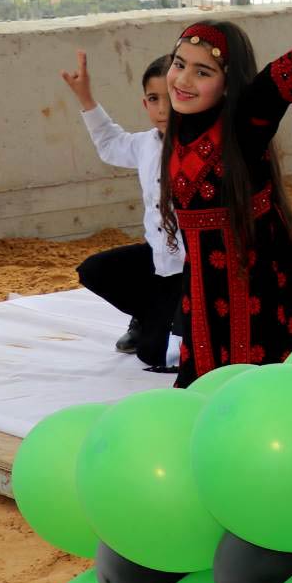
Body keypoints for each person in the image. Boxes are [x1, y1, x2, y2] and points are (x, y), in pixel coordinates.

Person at [159, 11, 292, 386]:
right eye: (179, 64)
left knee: (264, 388)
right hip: (202, 285)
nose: (183, 80)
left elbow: (266, 94)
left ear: (229, 85)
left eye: (203, 72)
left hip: (254, 285)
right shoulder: (178, 127)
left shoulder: (242, 127)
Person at [60, 51, 184, 369]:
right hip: (157, 259)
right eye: (153, 98)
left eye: (169, 97)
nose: (162, 108)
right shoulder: (144, 144)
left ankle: (163, 321)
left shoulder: (205, 148)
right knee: (94, 270)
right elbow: (110, 143)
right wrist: (85, 98)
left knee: (155, 355)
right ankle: (145, 316)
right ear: (145, 104)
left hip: (191, 269)